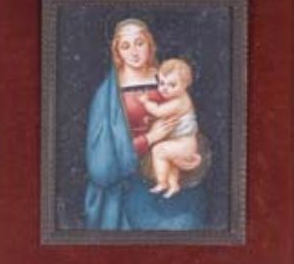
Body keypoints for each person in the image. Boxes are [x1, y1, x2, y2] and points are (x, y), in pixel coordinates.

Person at [84, 18, 207, 230]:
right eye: (125, 46)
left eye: (139, 43)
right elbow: (101, 164)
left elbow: (188, 123)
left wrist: (192, 155)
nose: (134, 52)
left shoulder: (169, 80)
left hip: (174, 173)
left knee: (186, 225)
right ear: (117, 52)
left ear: (150, 44)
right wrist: (150, 138)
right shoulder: (107, 95)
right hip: (128, 183)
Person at [139, 58, 201, 198]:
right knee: (170, 163)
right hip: (183, 143)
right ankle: (173, 186)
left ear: (185, 85)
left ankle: (162, 183)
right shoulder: (176, 98)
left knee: (158, 151)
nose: (164, 88)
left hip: (184, 145)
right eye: (162, 83)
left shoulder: (179, 102)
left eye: (172, 85)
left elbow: (158, 111)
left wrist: (146, 102)